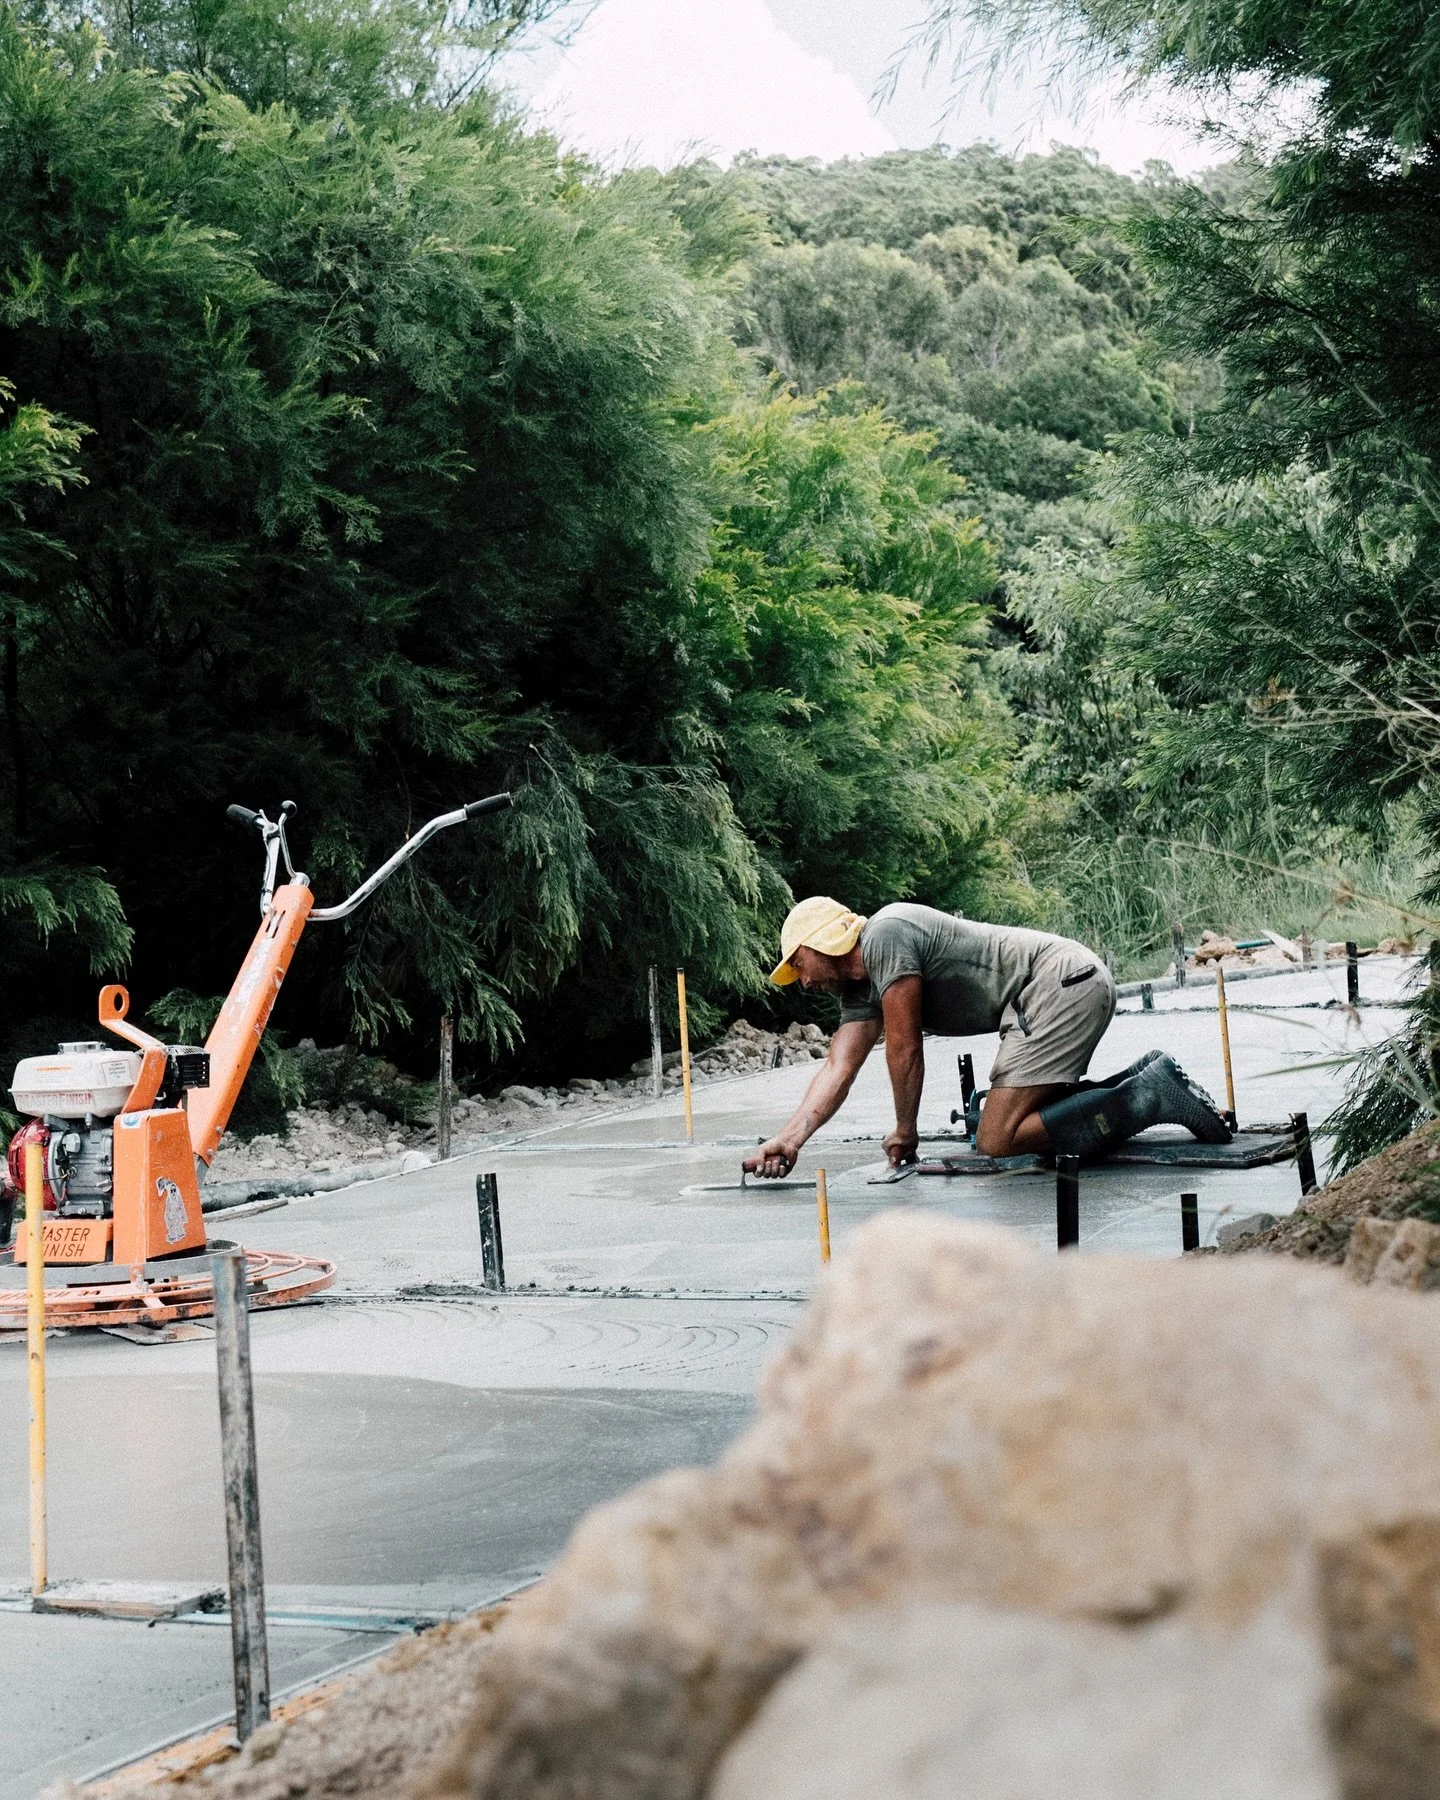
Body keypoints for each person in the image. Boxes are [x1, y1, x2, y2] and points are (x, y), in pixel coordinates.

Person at [742, 896, 1231, 1178]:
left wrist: (905, 1129)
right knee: (994, 1123)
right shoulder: (860, 991)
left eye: (799, 965)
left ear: (822, 943)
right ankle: (1142, 1078)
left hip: (1058, 984)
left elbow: (905, 1048)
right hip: (1058, 988)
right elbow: (838, 1068)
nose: (803, 982)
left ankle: (1148, 1097)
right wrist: (787, 1141)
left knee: (997, 1139)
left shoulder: (884, 937)